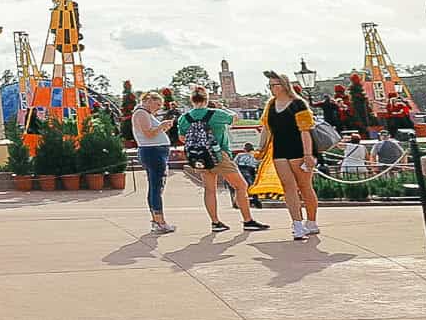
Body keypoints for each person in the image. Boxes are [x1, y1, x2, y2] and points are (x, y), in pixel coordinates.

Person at [177, 86, 269, 232]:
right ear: (207, 99)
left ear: (191, 100)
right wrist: (223, 107)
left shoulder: (184, 118)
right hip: (219, 155)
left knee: (210, 190)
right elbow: (235, 118)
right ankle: (247, 220)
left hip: (199, 157)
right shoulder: (216, 114)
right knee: (241, 186)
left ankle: (215, 222)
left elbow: (182, 138)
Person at [262, 71, 320, 239]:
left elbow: (305, 131)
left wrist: (308, 154)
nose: (272, 88)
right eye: (270, 85)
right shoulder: (270, 105)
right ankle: (296, 223)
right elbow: (266, 129)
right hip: (279, 150)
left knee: (304, 186)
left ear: (284, 85)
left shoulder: (298, 104)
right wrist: (260, 149)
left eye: (275, 85)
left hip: (298, 149)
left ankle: (311, 221)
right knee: (288, 187)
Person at [131, 90, 175, 233]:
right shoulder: (141, 113)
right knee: (157, 187)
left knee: (154, 186)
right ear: (148, 100)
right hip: (153, 151)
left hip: (154, 151)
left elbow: (150, 132)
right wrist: (161, 126)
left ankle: (157, 219)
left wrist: (161, 128)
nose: (158, 108)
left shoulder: (144, 113)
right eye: (157, 104)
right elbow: (148, 133)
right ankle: (159, 221)